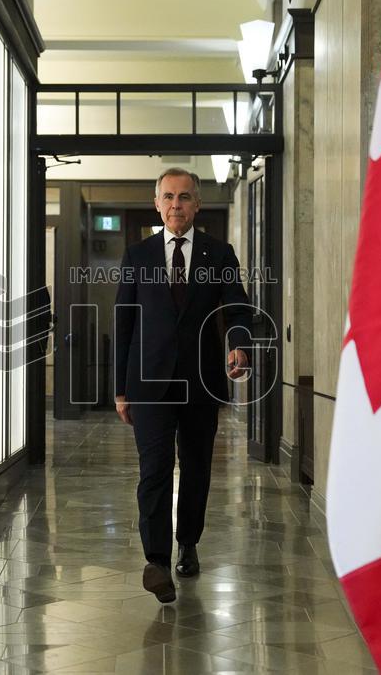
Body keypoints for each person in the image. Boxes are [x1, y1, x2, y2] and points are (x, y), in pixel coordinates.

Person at [114, 167, 252, 603]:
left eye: (185, 197)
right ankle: (155, 561)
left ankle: (187, 543)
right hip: (149, 384)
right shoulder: (138, 256)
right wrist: (120, 388)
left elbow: (238, 306)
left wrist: (238, 345)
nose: (177, 205)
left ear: (198, 204)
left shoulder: (219, 253)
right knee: (153, 471)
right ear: (157, 204)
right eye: (169, 197)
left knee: (195, 469)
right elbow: (124, 323)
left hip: (200, 384)